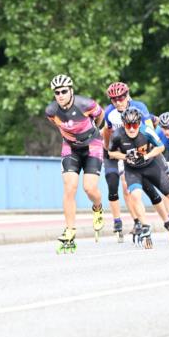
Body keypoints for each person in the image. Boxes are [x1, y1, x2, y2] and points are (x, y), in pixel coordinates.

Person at [107, 108, 169, 247]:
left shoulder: (146, 131)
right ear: (123, 124)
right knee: (135, 195)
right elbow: (111, 153)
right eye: (128, 125)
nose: (131, 129)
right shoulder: (117, 135)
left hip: (150, 166)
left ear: (139, 123)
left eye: (134, 125)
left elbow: (160, 147)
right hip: (132, 170)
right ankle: (145, 226)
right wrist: (125, 156)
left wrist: (146, 156)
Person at [45, 74, 105, 253]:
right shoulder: (51, 111)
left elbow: (100, 116)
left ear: (71, 91)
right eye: (57, 92)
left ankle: (98, 207)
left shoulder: (86, 104)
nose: (61, 95)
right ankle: (70, 229)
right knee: (70, 187)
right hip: (70, 148)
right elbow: (59, 125)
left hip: (92, 145)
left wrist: (94, 132)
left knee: (89, 188)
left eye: (64, 91)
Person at [101, 81, 155, 240]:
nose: (118, 101)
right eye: (114, 99)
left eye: (121, 97)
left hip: (139, 148)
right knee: (120, 184)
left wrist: (148, 149)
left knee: (135, 185)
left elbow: (150, 128)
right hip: (120, 150)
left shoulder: (139, 107)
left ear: (127, 95)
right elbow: (107, 131)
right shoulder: (109, 112)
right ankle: (134, 221)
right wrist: (108, 149)